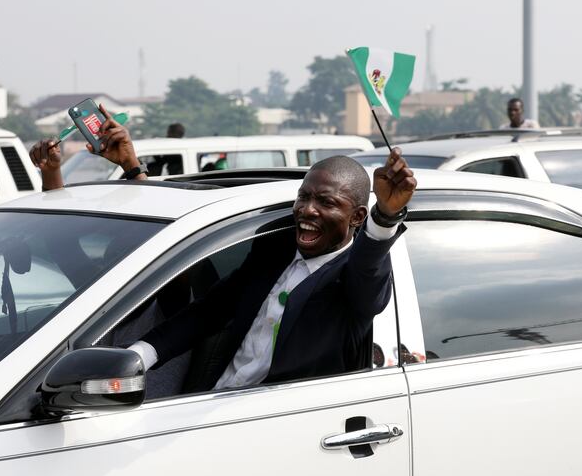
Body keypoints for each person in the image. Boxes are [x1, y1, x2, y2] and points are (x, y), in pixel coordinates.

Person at [30, 105, 416, 391]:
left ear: (356, 217)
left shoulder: (352, 283)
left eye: (327, 203)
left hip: (283, 428)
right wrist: (139, 357)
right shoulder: (272, 253)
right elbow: (210, 309)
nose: (308, 210)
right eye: (304, 197)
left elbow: (369, 269)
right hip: (212, 406)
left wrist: (385, 216)